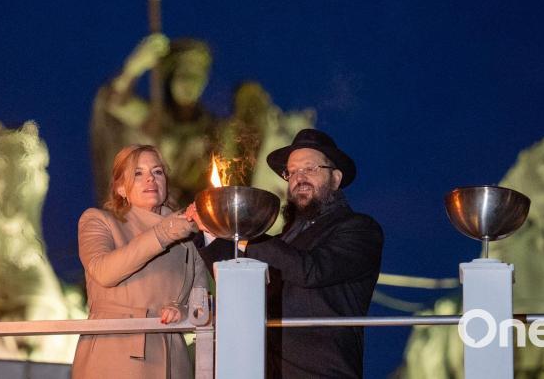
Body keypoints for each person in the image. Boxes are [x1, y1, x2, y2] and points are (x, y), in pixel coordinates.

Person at [191, 129, 384, 378]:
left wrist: (245, 231)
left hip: (323, 372)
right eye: (291, 172)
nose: (298, 178)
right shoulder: (285, 238)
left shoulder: (359, 229)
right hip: (266, 368)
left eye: (310, 169)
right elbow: (237, 273)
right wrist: (212, 229)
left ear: (335, 179)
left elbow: (311, 270)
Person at [73, 144, 208, 379]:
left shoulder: (188, 237)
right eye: (138, 173)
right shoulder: (99, 221)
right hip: (114, 353)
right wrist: (163, 233)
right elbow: (103, 272)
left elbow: (201, 305)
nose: (150, 180)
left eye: (157, 172)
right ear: (120, 188)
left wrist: (182, 311)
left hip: (173, 360)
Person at [90, 34, 215, 206]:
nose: (190, 84)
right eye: (184, 75)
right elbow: (114, 102)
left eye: (196, 76)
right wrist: (134, 68)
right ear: (171, 78)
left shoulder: (212, 129)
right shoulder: (152, 119)